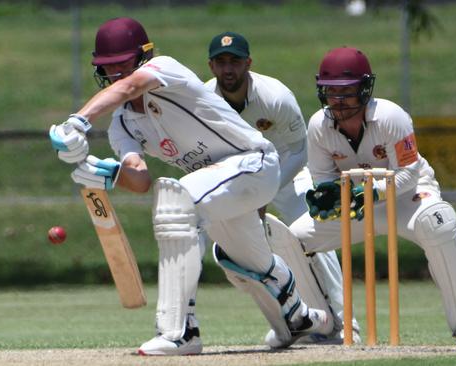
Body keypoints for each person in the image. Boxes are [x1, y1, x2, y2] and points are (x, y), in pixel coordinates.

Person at [48, 17, 328, 356]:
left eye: (122, 63)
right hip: (215, 185)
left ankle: (180, 331)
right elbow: (139, 179)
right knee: (250, 263)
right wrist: (100, 170)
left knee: (175, 200)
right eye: (108, 67)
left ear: (143, 57)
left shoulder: (164, 69)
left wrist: (77, 120)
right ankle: (301, 317)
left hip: (253, 163)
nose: (116, 73)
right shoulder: (121, 123)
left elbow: (128, 87)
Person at [291, 46, 456, 346]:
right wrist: (329, 197)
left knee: (440, 222)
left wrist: (369, 191)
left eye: (347, 92)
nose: (338, 102)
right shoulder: (319, 125)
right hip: (357, 205)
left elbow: (408, 174)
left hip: (407, 199)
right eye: (331, 92)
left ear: (365, 89)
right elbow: (323, 179)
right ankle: (328, 324)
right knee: (295, 239)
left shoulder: (393, 117)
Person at [204, 32, 358, 344]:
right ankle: (298, 320)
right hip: (239, 177)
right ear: (211, 66)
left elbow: (300, 150)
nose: (228, 69)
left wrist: (268, 190)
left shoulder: (274, 96)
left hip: (288, 170)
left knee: (314, 232)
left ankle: (346, 323)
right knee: (245, 254)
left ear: (248, 63)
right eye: (221, 62)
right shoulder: (203, 100)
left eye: (235, 61)